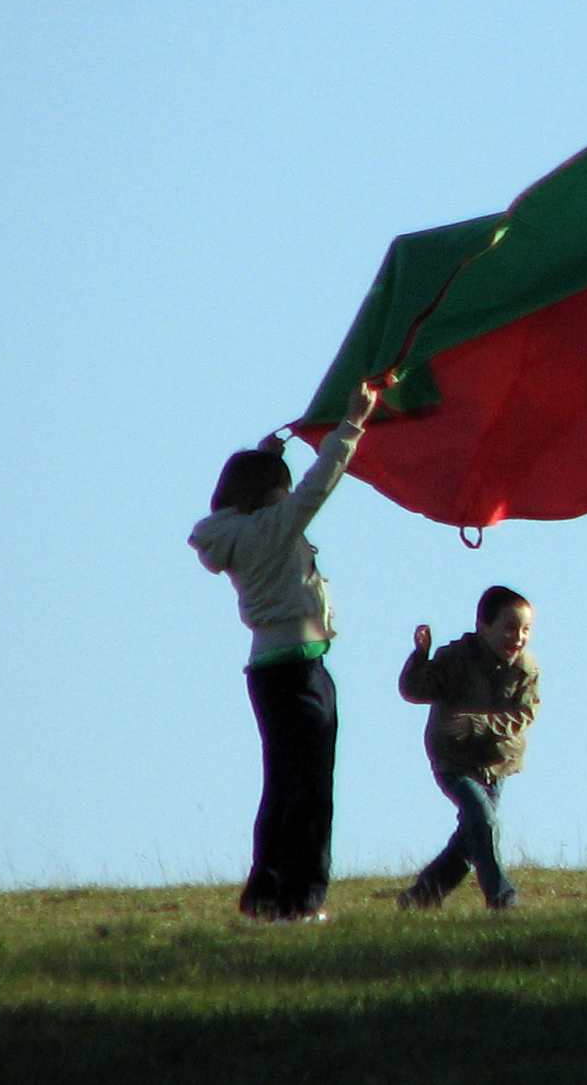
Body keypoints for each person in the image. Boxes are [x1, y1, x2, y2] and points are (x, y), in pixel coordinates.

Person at [190, 380, 379, 922]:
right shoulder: (272, 528)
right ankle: (300, 899)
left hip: (270, 670)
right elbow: (318, 486)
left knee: (282, 785)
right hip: (300, 669)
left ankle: (264, 895)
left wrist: (265, 460)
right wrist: (352, 425)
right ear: (269, 494)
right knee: (312, 789)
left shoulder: (232, 532)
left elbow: (260, 502)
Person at [396, 586, 541, 912]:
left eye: (525, 629)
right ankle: (502, 898)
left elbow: (524, 715)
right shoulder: (456, 660)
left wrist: (480, 724)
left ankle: (421, 896)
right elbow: (413, 690)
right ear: (483, 627)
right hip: (454, 762)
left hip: (496, 764)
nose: (518, 637)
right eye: (509, 627)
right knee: (484, 824)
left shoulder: (526, 670)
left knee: (470, 838)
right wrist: (420, 656)